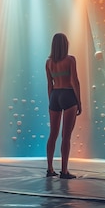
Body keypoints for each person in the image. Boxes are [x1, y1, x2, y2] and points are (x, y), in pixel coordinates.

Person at [45, 33, 82, 179]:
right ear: (65, 44)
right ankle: (64, 171)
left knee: (52, 135)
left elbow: (49, 84)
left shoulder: (48, 63)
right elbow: (74, 81)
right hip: (68, 95)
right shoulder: (70, 60)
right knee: (66, 136)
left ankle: (49, 169)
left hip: (55, 96)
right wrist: (79, 101)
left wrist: (51, 100)